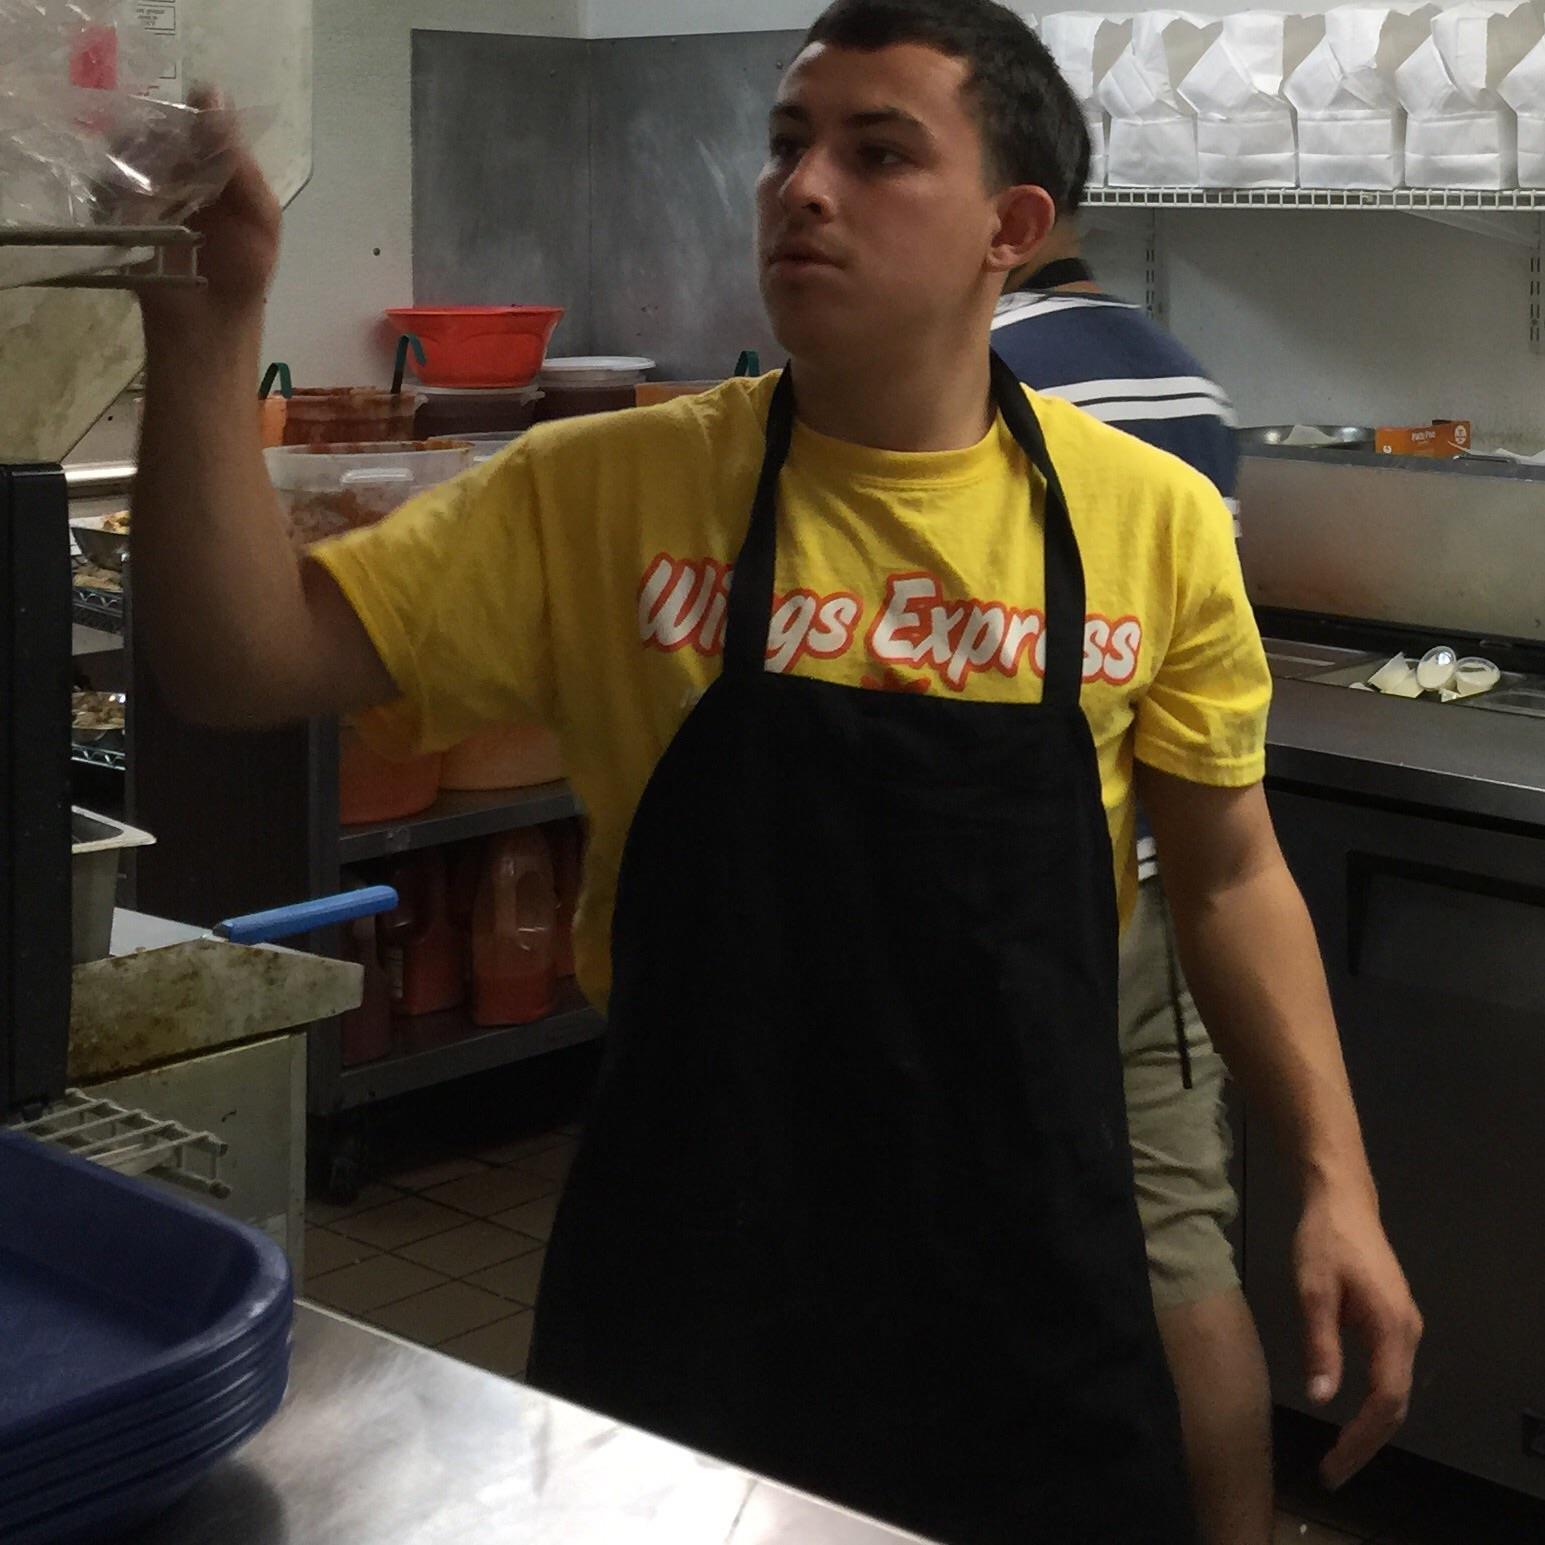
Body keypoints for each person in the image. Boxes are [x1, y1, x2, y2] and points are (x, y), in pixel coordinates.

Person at [131, 2, 1422, 1540]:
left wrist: (1335, 1177)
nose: (802, 187)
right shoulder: (600, 488)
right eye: (787, 144)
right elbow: (241, 661)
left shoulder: (1144, 520)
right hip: (696, 1272)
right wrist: (206, 328)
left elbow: (1228, 875)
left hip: (1025, 1283)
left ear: (1009, 229)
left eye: (878, 153)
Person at [993, 226, 1270, 1542]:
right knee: (1177, 1247)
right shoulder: (1189, 380)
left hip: (1010, 891)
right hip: (1159, 879)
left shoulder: (971, 366)